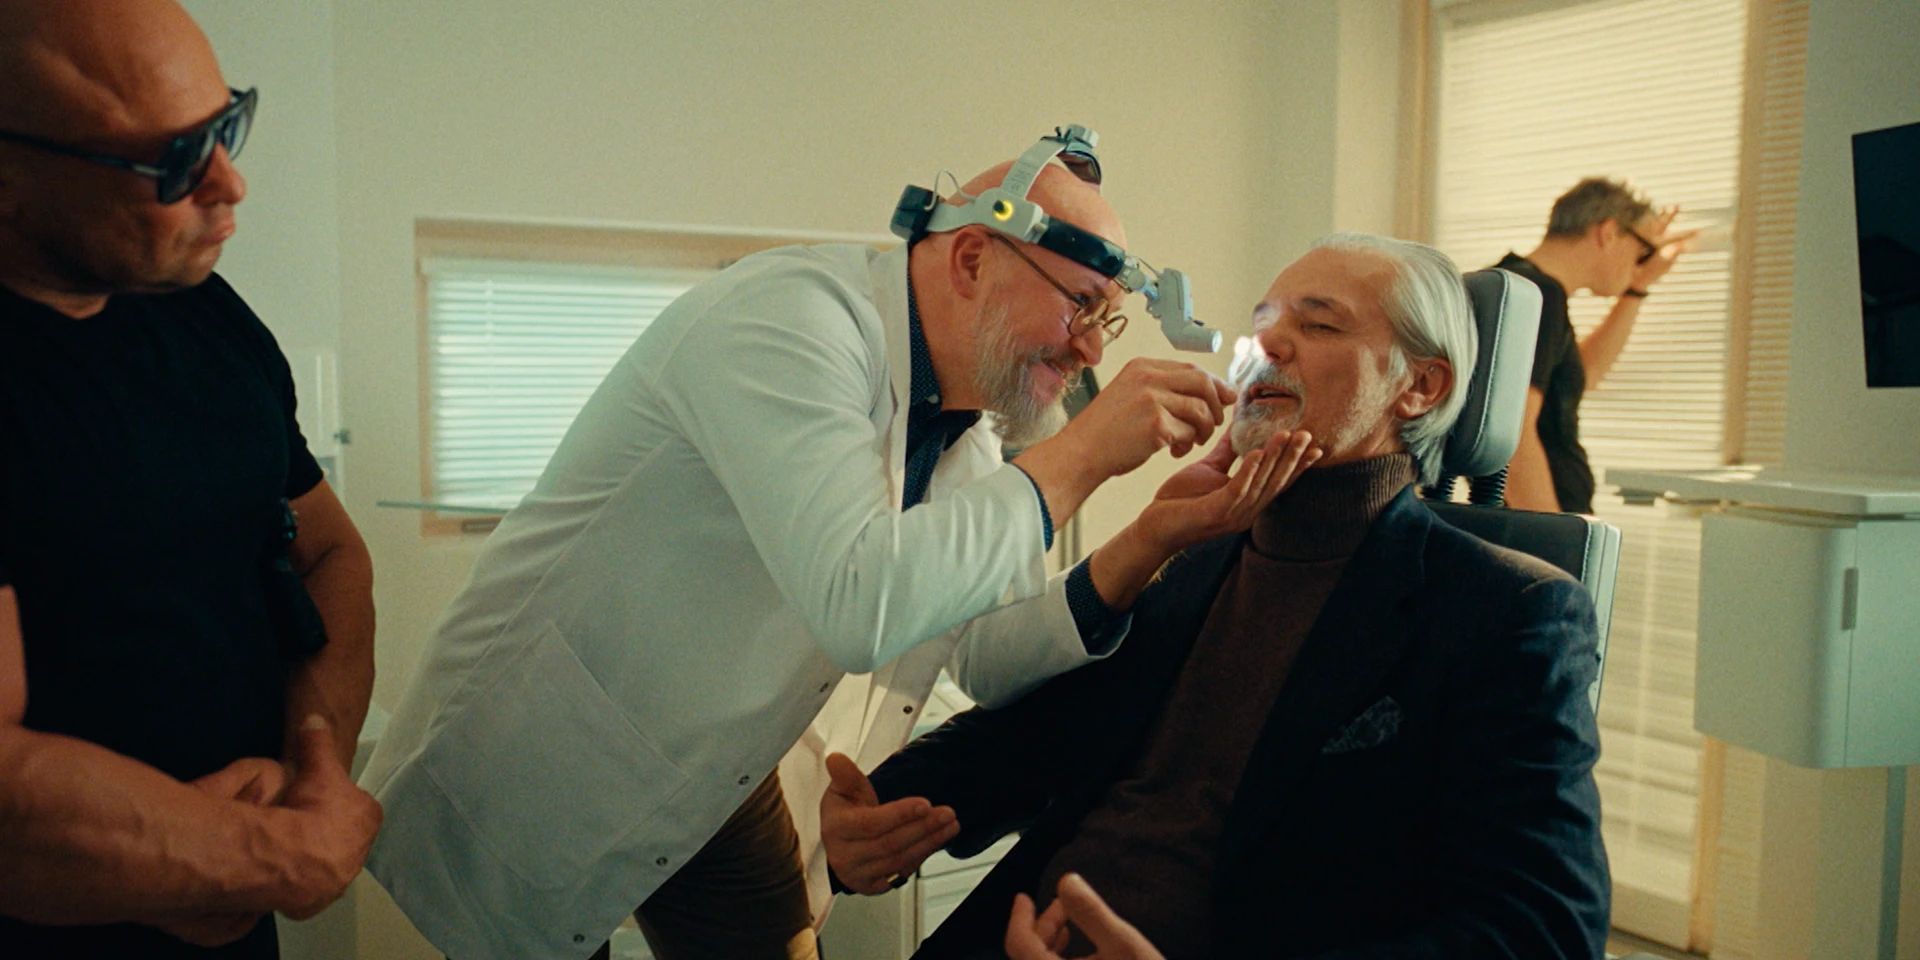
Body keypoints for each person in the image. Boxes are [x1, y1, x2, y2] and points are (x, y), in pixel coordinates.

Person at [360, 149, 1317, 960]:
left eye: (1106, 321)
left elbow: (982, 654)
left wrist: (1152, 533)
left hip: (720, 762)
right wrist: (1082, 457)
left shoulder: (960, 426)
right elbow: (859, 602)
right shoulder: (791, 322)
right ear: (973, 256)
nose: (1086, 351)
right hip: (560, 739)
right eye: (1081, 308)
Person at [823, 233, 1611, 960]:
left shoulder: (1507, 613)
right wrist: (890, 809)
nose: (1264, 343)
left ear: (1420, 385)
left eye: (1319, 325)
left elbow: (1543, 928)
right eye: (1264, 321)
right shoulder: (1198, 552)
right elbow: (1046, 729)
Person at [0, 0, 383, 957]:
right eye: (173, 160)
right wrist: (260, 853)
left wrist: (312, 765)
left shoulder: (200, 308)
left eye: (225, 125)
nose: (231, 183)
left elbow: (329, 550)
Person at [1494, 177, 1696, 513]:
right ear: (1608, 232)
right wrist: (1555, 537)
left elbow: (1581, 375)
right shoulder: (1537, 296)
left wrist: (1637, 288)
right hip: (1541, 525)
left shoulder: (1516, 284)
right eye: (1643, 251)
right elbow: (1511, 433)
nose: (1640, 263)